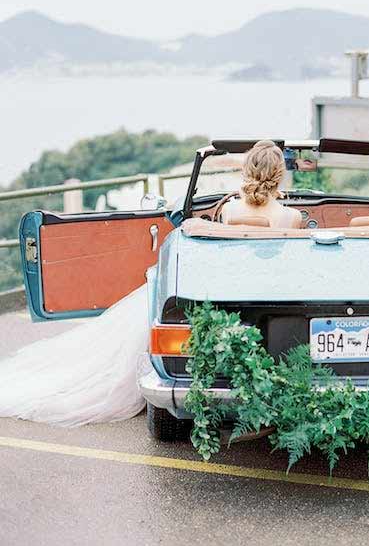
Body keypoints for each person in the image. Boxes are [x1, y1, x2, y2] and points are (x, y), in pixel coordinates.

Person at [0, 141, 299, 426]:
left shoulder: (229, 211)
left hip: (224, 292)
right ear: (279, 175)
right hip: (275, 293)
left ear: (248, 171)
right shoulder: (291, 218)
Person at [221, 140, 302, 229]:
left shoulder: (228, 209)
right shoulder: (293, 216)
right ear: (280, 174)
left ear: (247, 170)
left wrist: (247, 193)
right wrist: (269, 194)